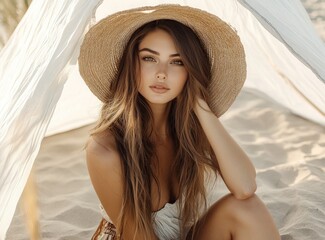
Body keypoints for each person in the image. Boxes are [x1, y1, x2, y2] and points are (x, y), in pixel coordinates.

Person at [78, 4, 281, 240]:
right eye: (149, 58)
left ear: (190, 71)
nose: (162, 73)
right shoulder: (105, 150)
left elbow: (245, 187)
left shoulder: (187, 128)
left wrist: (200, 105)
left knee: (249, 209)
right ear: (131, 65)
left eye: (177, 62)